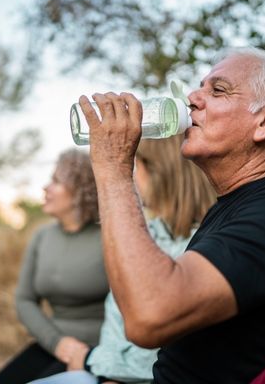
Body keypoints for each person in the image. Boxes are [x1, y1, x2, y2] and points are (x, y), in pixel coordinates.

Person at [74, 47, 265, 383]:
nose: (193, 98)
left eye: (218, 90)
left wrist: (113, 167)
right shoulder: (234, 206)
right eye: (200, 87)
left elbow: (149, 315)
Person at [27, 135, 216, 384]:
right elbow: (117, 329)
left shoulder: (200, 247)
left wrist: (91, 361)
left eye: (136, 167)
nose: (133, 176)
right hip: (101, 365)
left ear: (159, 171)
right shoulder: (149, 234)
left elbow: (161, 351)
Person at [0, 149, 109, 384]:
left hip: (99, 350)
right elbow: (24, 299)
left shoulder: (109, 237)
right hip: (51, 344)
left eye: (56, 181)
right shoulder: (42, 237)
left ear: (80, 191)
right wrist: (56, 342)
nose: (45, 188)